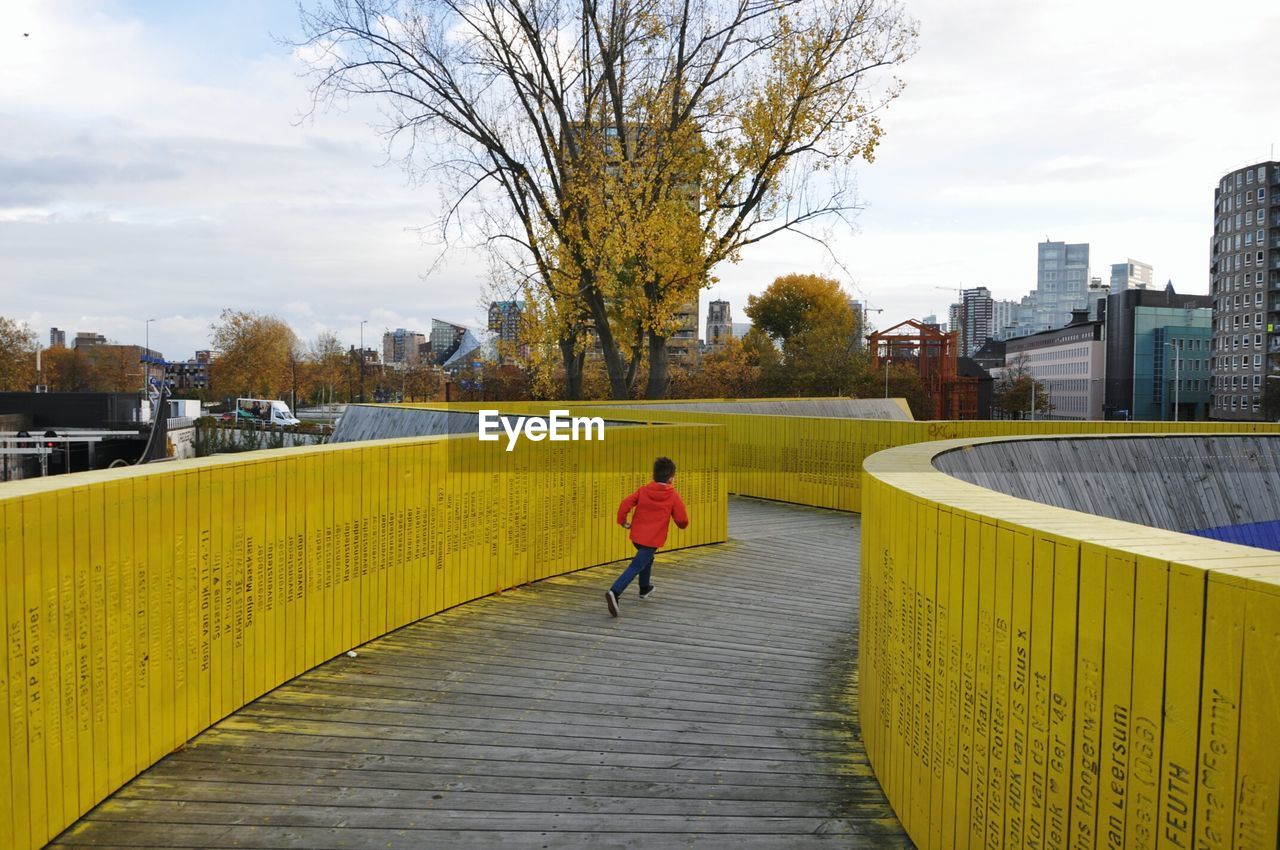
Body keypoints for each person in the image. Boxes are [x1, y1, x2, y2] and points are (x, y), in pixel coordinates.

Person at [606, 456, 689, 617]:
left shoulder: (643, 490)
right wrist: (683, 526)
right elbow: (681, 519)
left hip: (637, 536)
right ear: (671, 478)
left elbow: (625, 504)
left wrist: (622, 521)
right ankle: (614, 592)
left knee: (647, 559)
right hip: (652, 539)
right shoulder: (673, 495)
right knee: (637, 565)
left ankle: (644, 588)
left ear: (654, 475)